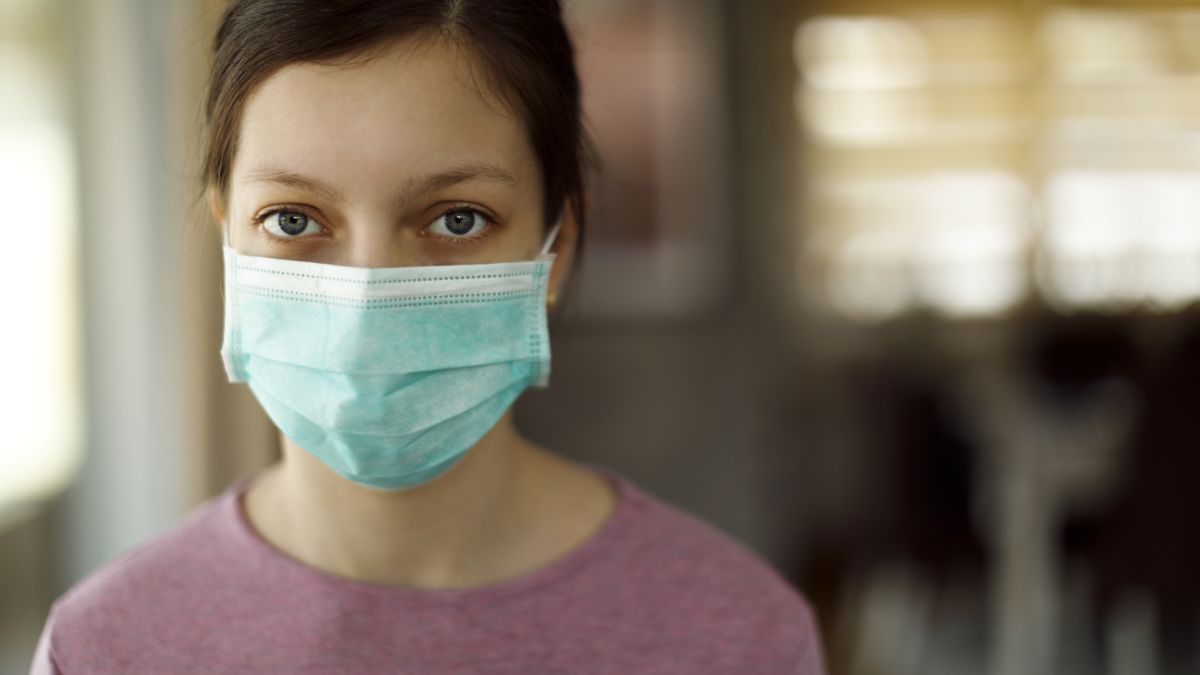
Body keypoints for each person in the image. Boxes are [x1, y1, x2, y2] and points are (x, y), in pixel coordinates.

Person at [30, 1, 825, 672]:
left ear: (558, 248)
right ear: (228, 236)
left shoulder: (734, 634)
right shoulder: (107, 646)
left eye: (456, 218)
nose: (368, 293)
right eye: (294, 220)